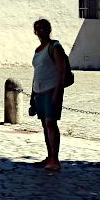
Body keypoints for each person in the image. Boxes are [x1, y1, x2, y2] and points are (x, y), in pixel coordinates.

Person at [30, 18, 69, 171]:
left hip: (52, 90)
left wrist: (57, 93)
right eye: (37, 28)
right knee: (44, 125)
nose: (40, 31)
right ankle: (49, 155)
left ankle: (55, 158)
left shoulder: (55, 47)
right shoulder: (38, 50)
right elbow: (37, 72)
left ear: (49, 29)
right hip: (39, 91)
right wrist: (32, 95)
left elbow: (61, 70)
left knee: (51, 123)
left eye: (43, 28)